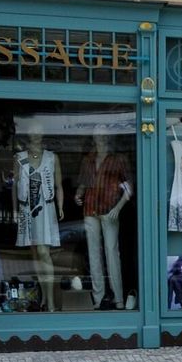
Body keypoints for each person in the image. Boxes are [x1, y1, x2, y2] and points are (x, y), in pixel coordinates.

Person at [75, 127, 132, 310]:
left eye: (103, 135)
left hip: (109, 210)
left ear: (108, 137)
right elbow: (84, 183)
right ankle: (98, 298)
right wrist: (78, 194)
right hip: (90, 208)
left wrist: (118, 207)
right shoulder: (88, 160)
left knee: (111, 252)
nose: (100, 138)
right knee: (93, 255)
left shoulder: (117, 160)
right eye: (97, 135)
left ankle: (118, 298)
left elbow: (128, 187)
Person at [16, 122, 63, 311]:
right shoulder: (19, 158)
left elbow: (59, 185)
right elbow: (15, 185)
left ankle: (50, 300)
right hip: (27, 208)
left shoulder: (52, 158)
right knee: (35, 254)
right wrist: (14, 210)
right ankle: (43, 296)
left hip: (45, 206)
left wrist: (60, 206)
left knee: (44, 252)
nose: (35, 135)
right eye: (32, 132)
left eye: (38, 131)